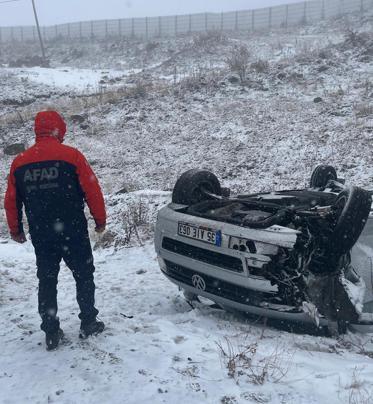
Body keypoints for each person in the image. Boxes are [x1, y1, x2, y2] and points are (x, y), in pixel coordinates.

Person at [4, 110, 106, 351]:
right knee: (84, 275)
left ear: (37, 130)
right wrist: (99, 219)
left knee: (47, 280)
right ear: (59, 129)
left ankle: (51, 331)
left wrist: (16, 229)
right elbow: (92, 189)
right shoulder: (72, 156)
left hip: (42, 234)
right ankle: (88, 322)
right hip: (74, 231)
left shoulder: (20, 162)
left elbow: (11, 200)